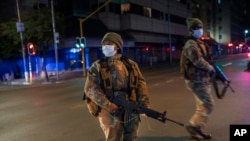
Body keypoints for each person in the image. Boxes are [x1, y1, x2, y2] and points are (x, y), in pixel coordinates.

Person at [84, 32, 150, 141]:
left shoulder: (130, 64)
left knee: (131, 137)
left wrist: (144, 105)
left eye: (109, 43)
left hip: (130, 107)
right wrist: (108, 104)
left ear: (117, 46)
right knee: (113, 137)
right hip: (108, 109)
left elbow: (140, 84)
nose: (106, 46)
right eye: (104, 44)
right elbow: (90, 88)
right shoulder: (97, 65)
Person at [180, 18, 215, 140]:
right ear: (191, 31)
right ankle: (192, 126)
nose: (200, 30)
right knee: (208, 105)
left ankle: (197, 129)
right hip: (195, 80)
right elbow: (197, 61)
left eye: (200, 27)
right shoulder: (191, 44)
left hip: (202, 80)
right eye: (197, 28)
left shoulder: (199, 43)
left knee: (202, 106)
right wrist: (209, 67)